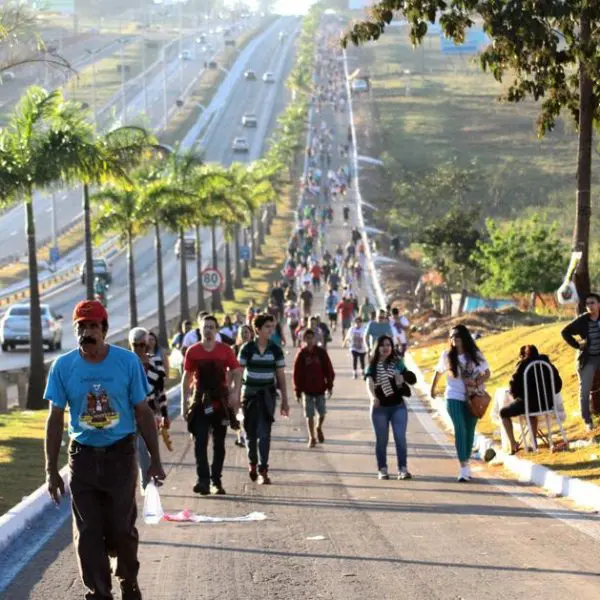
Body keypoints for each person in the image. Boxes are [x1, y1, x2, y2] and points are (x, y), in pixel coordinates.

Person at [44, 300, 165, 600]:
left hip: (120, 457)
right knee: (88, 534)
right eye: (81, 327)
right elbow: (55, 418)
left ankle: (128, 579)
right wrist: (50, 470)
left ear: (105, 330)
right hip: (82, 458)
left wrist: (155, 460)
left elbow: (143, 412)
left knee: (121, 530)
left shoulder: (126, 362)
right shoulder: (63, 366)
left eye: (93, 326)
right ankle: (98, 593)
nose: (87, 332)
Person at [181, 315, 242, 495]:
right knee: (200, 441)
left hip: (220, 402)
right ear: (200, 330)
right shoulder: (193, 351)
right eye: (205, 327)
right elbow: (187, 377)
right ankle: (203, 481)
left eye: (211, 327)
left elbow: (237, 371)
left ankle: (216, 481)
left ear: (217, 330)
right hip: (200, 401)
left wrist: (235, 392)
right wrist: (185, 403)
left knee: (219, 444)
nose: (208, 330)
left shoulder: (225, 350)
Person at [430, 324, 491, 482]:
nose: (453, 339)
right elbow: (438, 372)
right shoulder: (447, 356)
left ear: (464, 338)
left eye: (456, 336)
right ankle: (463, 466)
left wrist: (476, 382)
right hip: (453, 397)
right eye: (451, 336)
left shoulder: (475, 355)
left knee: (470, 430)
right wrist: (433, 388)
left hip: (473, 398)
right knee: (460, 428)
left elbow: (487, 373)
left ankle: (466, 461)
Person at [238, 314, 290, 484]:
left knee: (265, 434)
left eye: (272, 326)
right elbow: (239, 374)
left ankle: (263, 470)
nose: (270, 330)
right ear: (257, 329)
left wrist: (285, 400)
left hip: (267, 396)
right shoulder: (247, 349)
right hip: (249, 396)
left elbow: (281, 376)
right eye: (267, 327)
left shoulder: (275, 349)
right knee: (250, 433)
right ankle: (252, 462)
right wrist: (235, 396)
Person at [365, 335, 416, 480]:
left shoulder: (397, 363)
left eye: (388, 345)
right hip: (379, 408)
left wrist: (402, 378)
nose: (386, 348)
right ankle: (382, 469)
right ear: (377, 347)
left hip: (398, 407)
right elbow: (369, 381)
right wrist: (372, 397)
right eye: (382, 345)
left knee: (400, 438)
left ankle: (403, 469)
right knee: (382, 440)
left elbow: (412, 378)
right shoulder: (373, 365)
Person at [500, 345, 562, 454]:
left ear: (523, 356)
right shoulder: (547, 364)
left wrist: (517, 396)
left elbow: (513, 387)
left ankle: (513, 443)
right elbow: (558, 385)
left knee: (503, 412)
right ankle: (533, 443)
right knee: (531, 413)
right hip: (547, 403)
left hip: (528, 404)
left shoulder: (523, 365)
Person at [129, 327, 169, 493]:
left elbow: (160, 392)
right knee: (136, 448)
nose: (139, 348)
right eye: (135, 345)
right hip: (129, 414)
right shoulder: (126, 363)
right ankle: (142, 481)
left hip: (150, 412)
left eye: (142, 344)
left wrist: (165, 415)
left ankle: (148, 480)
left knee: (147, 446)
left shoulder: (156, 364)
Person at [561, 292, 600, 430]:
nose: (590, 306)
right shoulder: (583, 320)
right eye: (587, 303)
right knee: (585, 390)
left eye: (593, 303)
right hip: (588, 359)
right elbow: (564, 332)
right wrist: (577, 345)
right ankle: (587, 421)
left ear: (599, 304)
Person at [293, 329, 335, 447]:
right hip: (307, 390)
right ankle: (312, 437)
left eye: (311, 338)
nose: (309, 340)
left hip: (320, 388)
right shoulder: (301, 354)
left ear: (315, 339)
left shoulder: (321, 353)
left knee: (322, 412)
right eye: (307, 338)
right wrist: (297, 391)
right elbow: (297, 374)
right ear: (303, 339)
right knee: (309, 414)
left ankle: (319, 427)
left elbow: (329, 370)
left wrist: (330, 386)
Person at [233, 325, 254, 448]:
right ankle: (240, 435)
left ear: (250, 334)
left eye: (246, 332)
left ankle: (248, 432)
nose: (244, 334)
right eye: (242, 332)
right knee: (237, 411)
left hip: (250, 384)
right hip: (237, 383)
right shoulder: (234, 349)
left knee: (248, 411)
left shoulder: (255, 348)